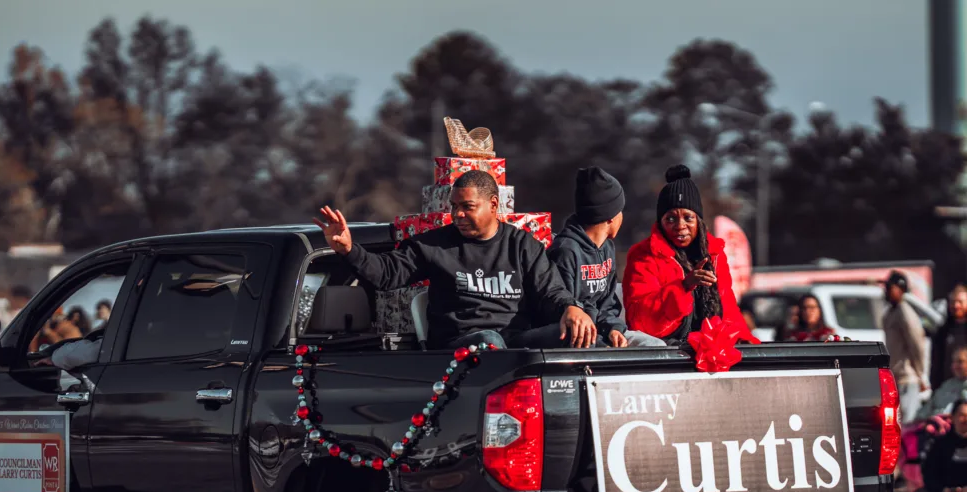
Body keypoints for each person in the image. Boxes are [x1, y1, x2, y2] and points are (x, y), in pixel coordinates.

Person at [313, 170, 597, 350]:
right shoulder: (434, 245)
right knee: (490, 342)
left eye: (467, 207)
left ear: (493, 205)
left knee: (582, 335)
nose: (457, 214)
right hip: (459, 345)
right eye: (454, 206)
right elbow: (387, 273)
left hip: (516, 341)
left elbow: (551, 290)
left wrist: (571, 308)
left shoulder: (522, 244)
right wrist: (348, 249)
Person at [623, 165, 758, 345]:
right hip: (666, 351)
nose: (680, 225)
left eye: (688, 217)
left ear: (698, 220)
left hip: (712, 348)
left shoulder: (714, 254)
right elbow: (639, 322)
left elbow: (728, 309)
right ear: (661, 222)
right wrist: (683, 287)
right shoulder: (643, 255)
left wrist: (744, 338)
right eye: (670, 218)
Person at [546, 167, 664, 348]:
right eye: (620, 210)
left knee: (653, 346)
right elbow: (564, 308)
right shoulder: (565, 251)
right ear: (610, 216)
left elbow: (608, 304)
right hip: (578, 336)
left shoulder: (607, 247)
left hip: (603, 329)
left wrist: (613, 328)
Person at [914, 399, 967, 492]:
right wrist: (943, 490)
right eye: (962, 415)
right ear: (952, 418)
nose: (965, 420)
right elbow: (929, 474)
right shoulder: (939, 444)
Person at [882, 270, 928, 423]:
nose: (888, 291)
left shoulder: (905, 312)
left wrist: (920, 374)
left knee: (908, 422)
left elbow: (917, 345)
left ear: (901, 289)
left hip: (907, 376)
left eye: (891, 288)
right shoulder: (890, 312)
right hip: (895, 376)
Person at [931, 284, 967, 389]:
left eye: (960, 302)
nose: (956, 306)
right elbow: (936, 360)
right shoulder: (943, 331)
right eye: (953, 302)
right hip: (948, 385)